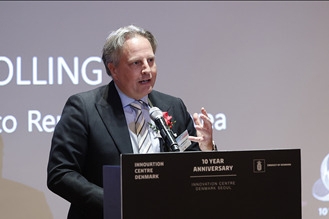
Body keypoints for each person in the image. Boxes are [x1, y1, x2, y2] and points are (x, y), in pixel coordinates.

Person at [47, 24, 216, 219]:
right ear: (114, 70)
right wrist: (116, 203)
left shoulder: (172, 106)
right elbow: (61, 174)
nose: (147, 69)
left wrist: (206, 150)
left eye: (151, 60)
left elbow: (192, 172)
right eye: (136, 63)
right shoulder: (84, 108)